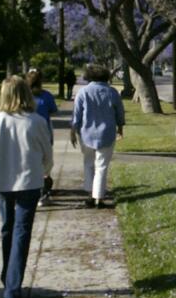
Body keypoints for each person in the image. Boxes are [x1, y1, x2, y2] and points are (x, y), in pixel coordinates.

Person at [0, 76, 53, 298]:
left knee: (7, 229)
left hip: (3, 182)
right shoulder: (36, 121)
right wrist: (44, 171)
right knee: (21, 234)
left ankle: (9, 280)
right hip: (29, 183)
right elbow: (47, 154)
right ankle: (12, 289)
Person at [70, 63, 124, 209]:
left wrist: (73, 131)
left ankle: (89, 194)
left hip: (86, 134)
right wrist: (120, 128)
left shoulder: (83, 92)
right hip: (106, 133)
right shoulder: (112, 92)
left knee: (88, 163)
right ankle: (98, 197)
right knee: (102, 166)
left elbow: (77, 115)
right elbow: (119, 112)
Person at [26, 69, 58, 206]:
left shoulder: (24, 96)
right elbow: (53, 110)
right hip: (44, 132)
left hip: (26, 133)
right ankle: (43, 193)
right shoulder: (46, 96)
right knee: (45, 163)